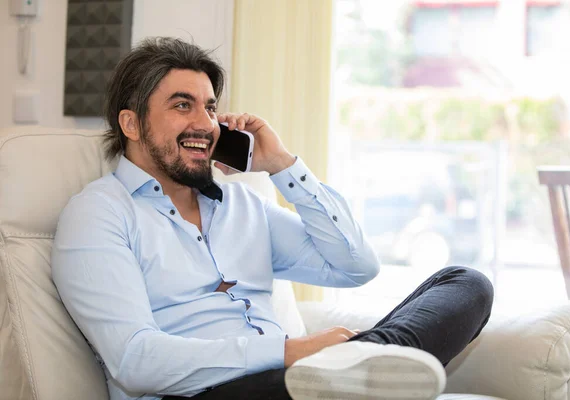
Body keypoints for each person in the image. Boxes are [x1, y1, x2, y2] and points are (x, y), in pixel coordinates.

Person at [52, 37, 494, 400]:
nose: (205, 124)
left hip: (297, 379)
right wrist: (288, 352)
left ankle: (357, 374)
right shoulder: (98, 215)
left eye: (209, 107)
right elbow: (135, 362)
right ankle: (359, 374)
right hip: (203, 392)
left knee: (466, 283)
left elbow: (356, 265)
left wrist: (282, 165)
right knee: (306, 380)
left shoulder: (241, 204)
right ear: (131, 124)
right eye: (181, 105)